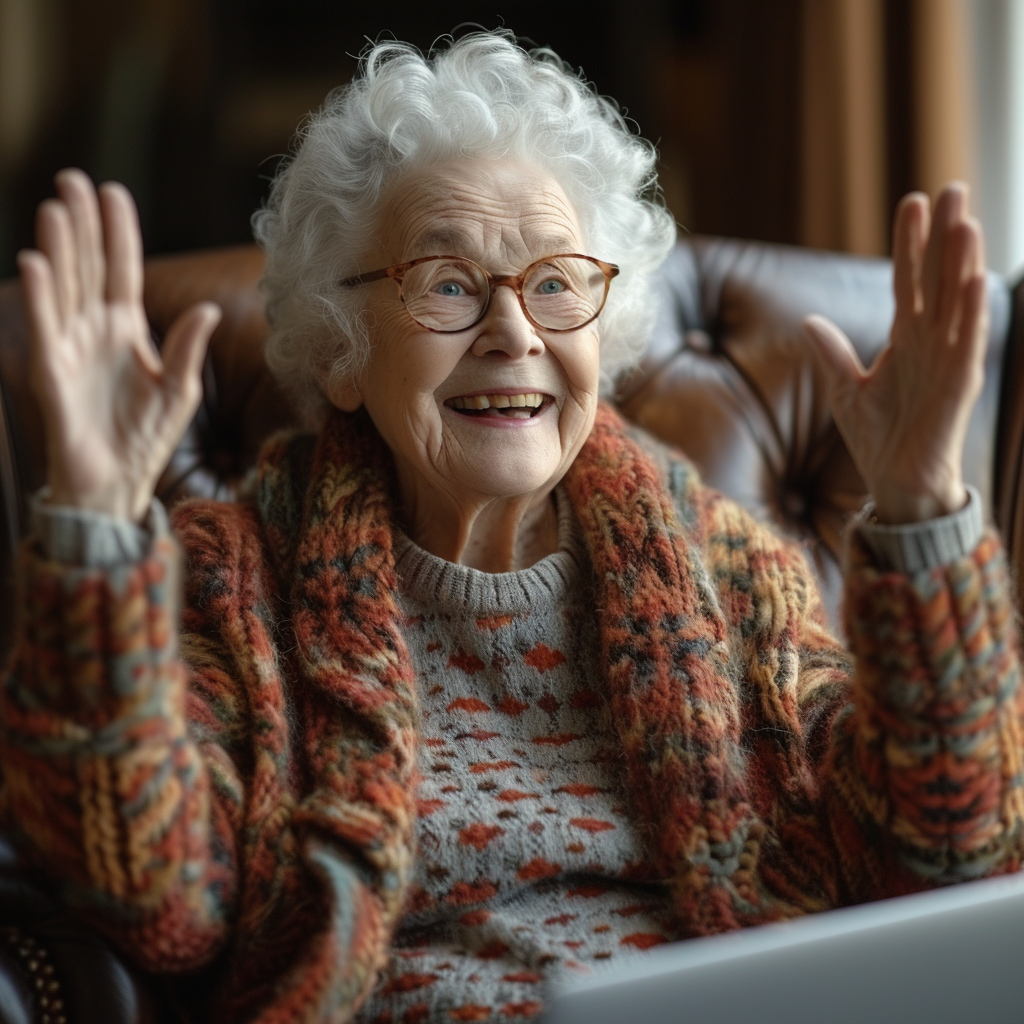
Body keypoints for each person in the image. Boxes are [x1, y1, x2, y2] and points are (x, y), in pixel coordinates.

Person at [3, 29, 1022, 1024]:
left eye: (554, 284)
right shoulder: (237, 584)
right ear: (343, 350)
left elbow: (937, 851)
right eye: (447, 284)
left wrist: (925, 508)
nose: (514, 332)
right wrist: (93, 523)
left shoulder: (731, 568)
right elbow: (151, 894)